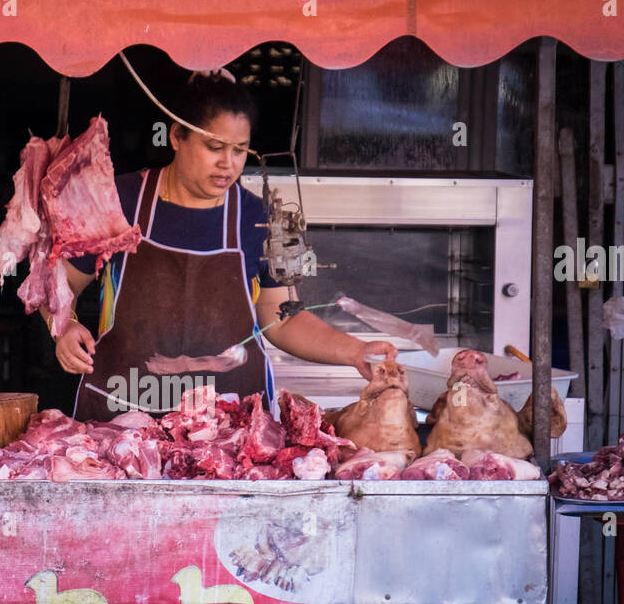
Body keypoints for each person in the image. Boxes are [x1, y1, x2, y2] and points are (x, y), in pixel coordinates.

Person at [46, 71, 389, 422]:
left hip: (229, 427)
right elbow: (60, 284)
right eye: (215, 147)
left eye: (239, 150)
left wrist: (354, 350)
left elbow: (284, 319)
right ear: (177, 136)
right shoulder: (120, 200)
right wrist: (63, 326)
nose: (229, 164)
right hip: (125, 419)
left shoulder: (264, 219)